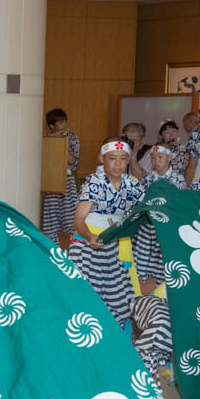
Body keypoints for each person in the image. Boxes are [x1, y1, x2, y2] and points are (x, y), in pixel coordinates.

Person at [70, 139, 145, 329]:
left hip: (114, 243)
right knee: (87, 296)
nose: (118, 164)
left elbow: (147, 208)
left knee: (119, 299)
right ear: (102, 159)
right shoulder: (94, 182)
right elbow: (78, 219)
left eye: (123, 158)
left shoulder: (132, 184)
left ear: (129, 160)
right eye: (112, 158)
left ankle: (113, 338)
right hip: (88, 243)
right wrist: (90, 236)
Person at [133, 142, 182, 281]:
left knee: (162, 255)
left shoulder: (177, 179)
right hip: (147, 223)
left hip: (166, 224)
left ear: (169, 157)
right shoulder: (148, 177)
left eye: (160, 157)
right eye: (153, 157)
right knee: (142, 252)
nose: (156, 161)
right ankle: (139, 279)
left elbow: (178, 203)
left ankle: (159, 283)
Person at [40, 108, 79, 243]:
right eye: (60, 122)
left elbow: (73, 161)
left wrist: (61, 144)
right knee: (51, 219)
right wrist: (52, 140)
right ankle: (53, 249)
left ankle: (74, 248)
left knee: (71, 217)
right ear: (52, 125)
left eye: (64, 121)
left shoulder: (72, 138)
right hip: (50, 182)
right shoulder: (44, 138)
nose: (64, 125)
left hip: (67, 180)